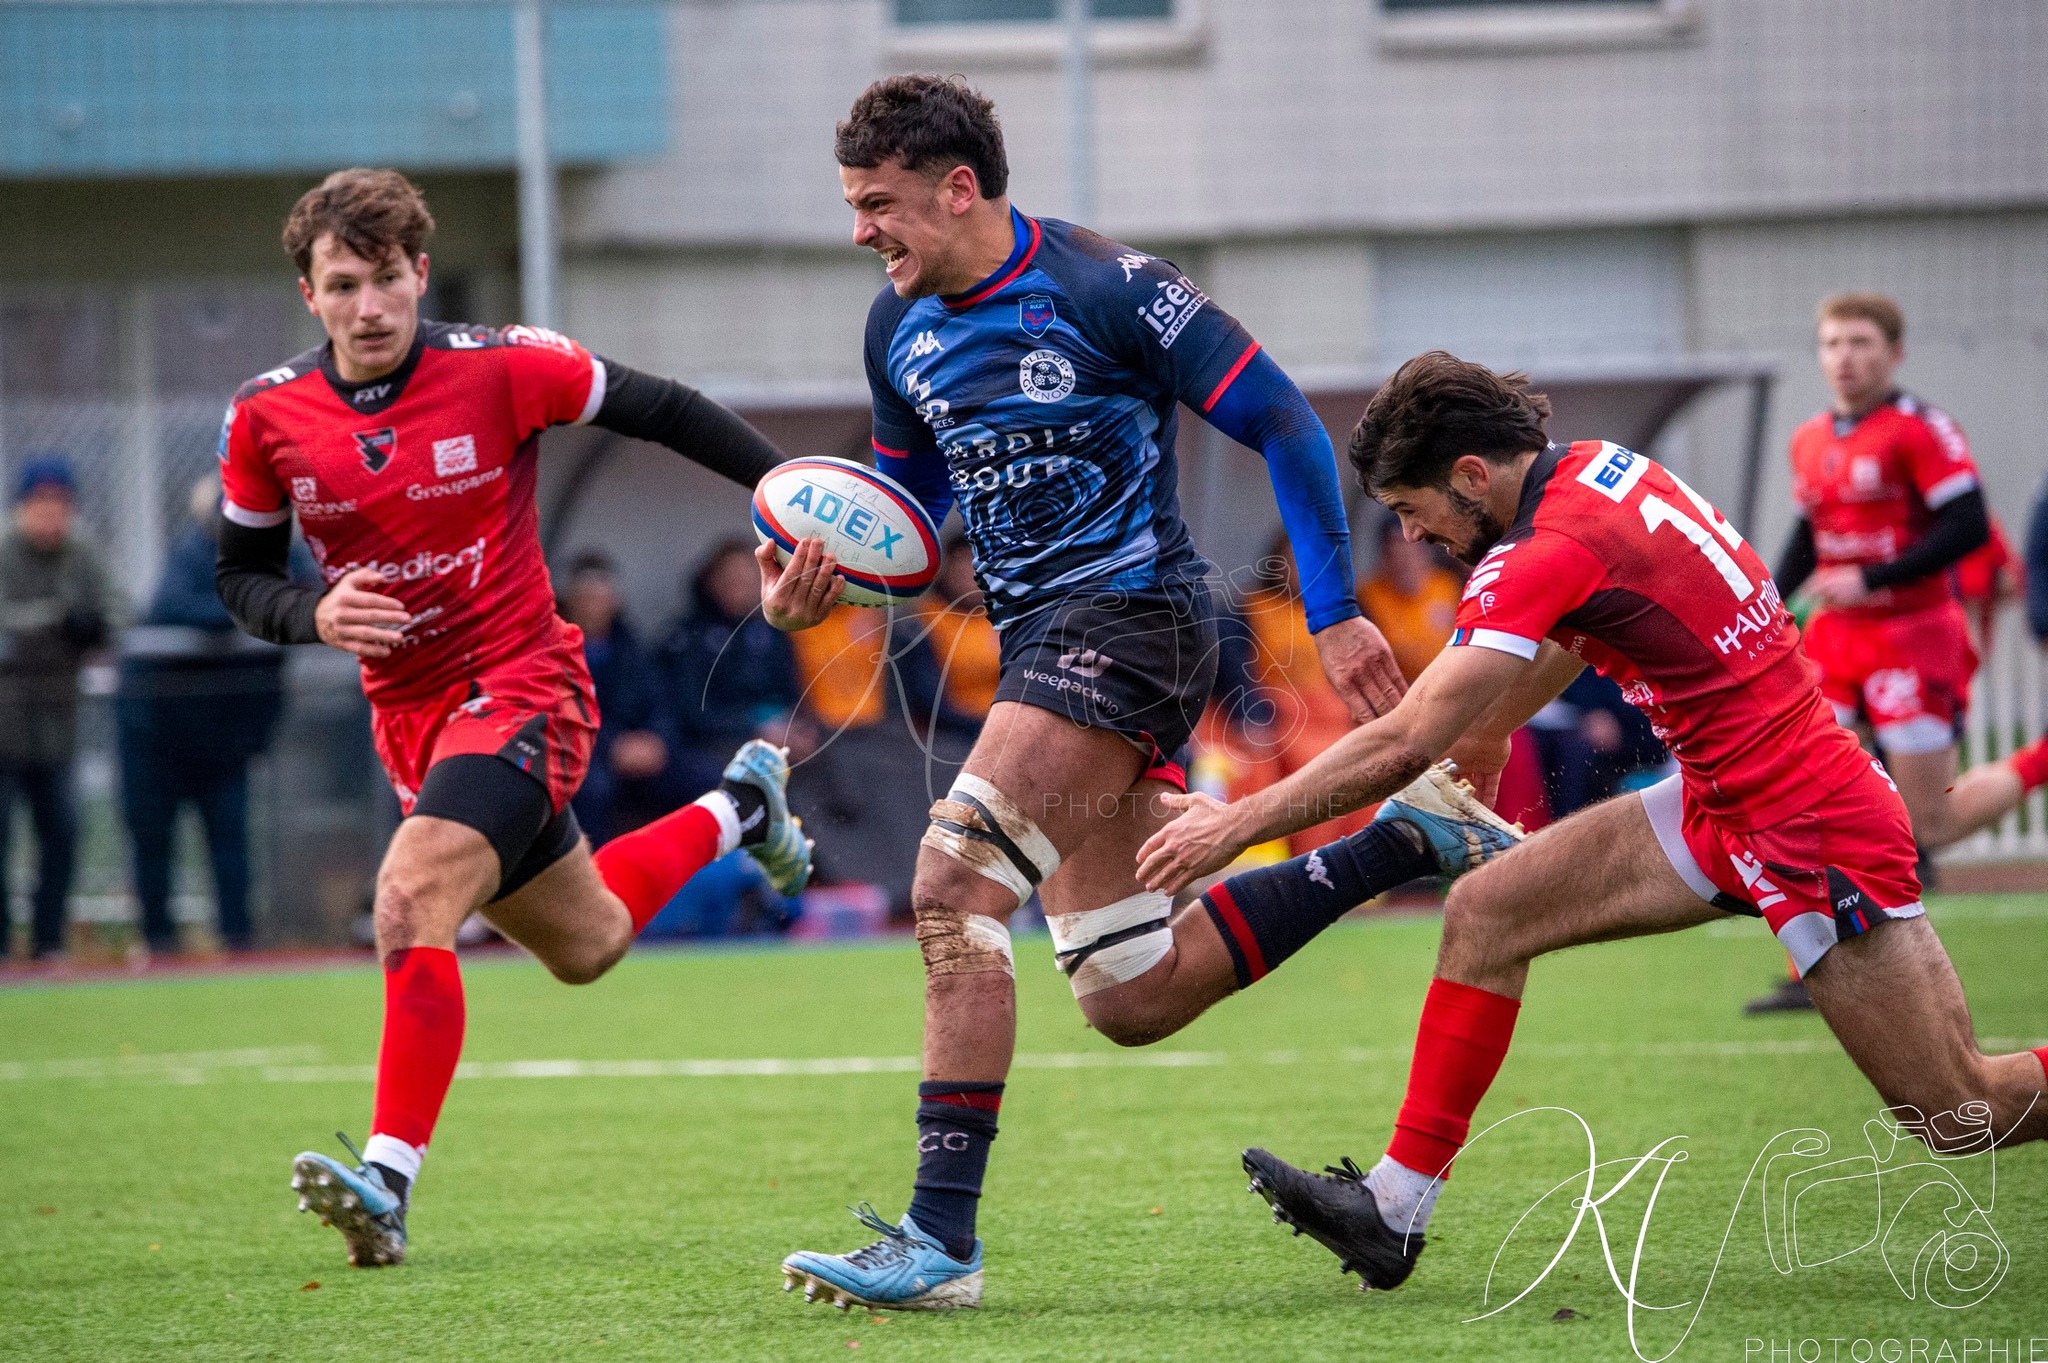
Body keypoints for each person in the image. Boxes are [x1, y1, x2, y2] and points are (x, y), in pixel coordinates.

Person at [1131, 352, 2048, 1292]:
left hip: (1807, 823)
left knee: (1955, 1110)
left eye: (1414, 508)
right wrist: (1488, 732)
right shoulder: (1594, 470)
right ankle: (1393, 1209)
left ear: (1471, 475)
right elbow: (1580, 630)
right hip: (1718, 801)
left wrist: (1233, 824)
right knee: (1487, 911)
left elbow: (1404, 738)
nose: (1412, 532)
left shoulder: (1548, 544)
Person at [772, 75, 1409, 1310]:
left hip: (1132, 620)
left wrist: (1331, 615)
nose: (861, 231)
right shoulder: (893, 329)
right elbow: (901, 523)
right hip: (1043, 646)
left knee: (950, 890)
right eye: (853, 206)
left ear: (959, 189)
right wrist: (816, 589)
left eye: (879, 204)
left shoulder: (1107, 287)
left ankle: (937, 1239)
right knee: (1126, 989)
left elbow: (1283, 422)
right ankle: (1398, 842)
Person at [213, 167, 810, 1269]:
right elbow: (241, 578)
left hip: (523, 680)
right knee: (587, 945)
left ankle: (385, 1181)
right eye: (343, 285)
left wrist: (800, 499)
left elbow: (663, 408)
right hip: (414, 720)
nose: (370, 307)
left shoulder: (500, 367)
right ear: (309, 292)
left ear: (419, 273)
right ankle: (739, 806)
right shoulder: (265, 415)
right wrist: (313, 611)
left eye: (388, 279)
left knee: (407, 895)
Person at [1748, 293, 2048, 1012]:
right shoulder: (1811, 438)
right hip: (1837, 642)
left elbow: (1969, 525)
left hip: (1914, 639)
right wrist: (1763, 604)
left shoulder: (1921, 429)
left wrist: (1873, 577)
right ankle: (1817, 969)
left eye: (1861, 342)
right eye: (1832, 343)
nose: (1845, 357)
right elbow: (1806, 537)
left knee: (1925, 824)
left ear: (1894, 352)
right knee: (1819, 801)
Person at [118, 474, 306, 955]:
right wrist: (257, 611)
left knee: (231, 843)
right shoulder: (194, 554)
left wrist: (276, 610)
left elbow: (313, 595)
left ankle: (237, 943)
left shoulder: (283, 554)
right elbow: (171, 608)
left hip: (225, 740)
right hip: (158, 731)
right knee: (154, 841)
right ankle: (158, 943)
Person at [0, 456, 123, 962]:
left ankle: (49, 940)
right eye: (41, 505)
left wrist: (91, 625)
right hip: (4, 724)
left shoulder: (82, 553)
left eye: (60, 506)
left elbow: (119, 609)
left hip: (58, 724)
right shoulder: (6, 554)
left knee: (63, 834)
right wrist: (50, 622)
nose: (51, 516)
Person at [656, 538, 801, 796]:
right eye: (730, 577)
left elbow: (791, 691)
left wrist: (794, 727)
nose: (739, 585)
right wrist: (752, 730)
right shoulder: (687, 637)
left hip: (774, 738)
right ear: (710, 580)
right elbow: (689, 712)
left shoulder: (771, 632)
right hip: (710, 744)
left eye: (747, 577)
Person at [558, 552, 670, 846]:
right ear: (568, 600)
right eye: (586, 596)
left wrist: (658, 741)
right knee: (593, 789)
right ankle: (595, 877)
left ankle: (705, 879)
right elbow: (557, 714)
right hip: (580, 751)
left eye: (601, 596)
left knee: (699, 776)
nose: (594, 604)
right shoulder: (550, 650)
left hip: (637, 748)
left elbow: (659, 703)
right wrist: (612, 746)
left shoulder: (631, 648)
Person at [1357, 513, 1461, 682]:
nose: (1404, 563)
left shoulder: (1446, 586)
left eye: (1410, 553)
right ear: (1384, 558)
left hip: (1445, 681)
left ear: (1425, 554)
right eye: (1395, 555)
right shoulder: (1368, 596)